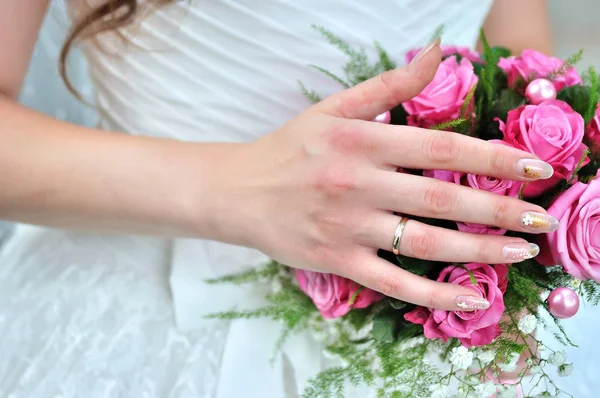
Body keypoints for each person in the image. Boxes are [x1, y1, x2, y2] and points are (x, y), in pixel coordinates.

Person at [0, 0, 553, 397]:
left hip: (425, 341)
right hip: (138, 314)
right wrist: (236, 188)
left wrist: (522, 234)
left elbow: (526, 68)